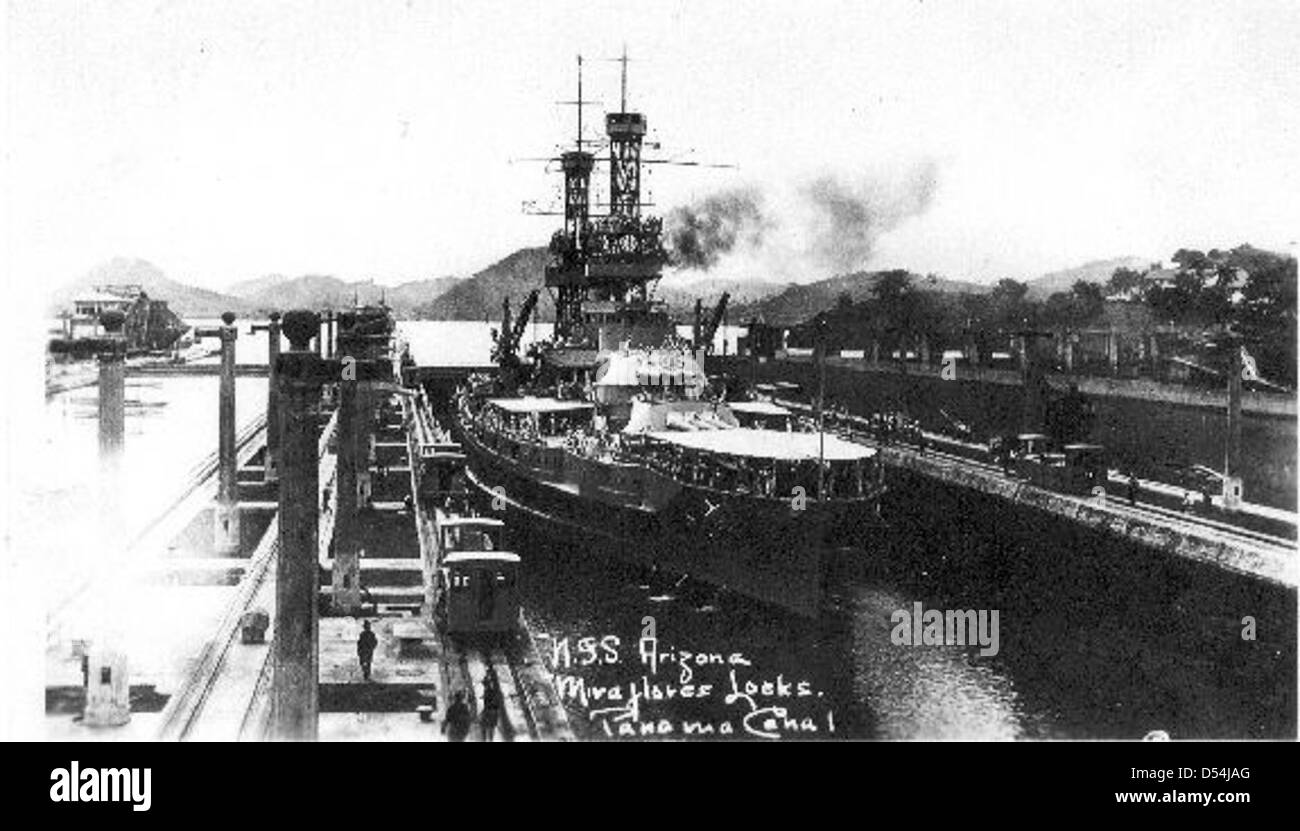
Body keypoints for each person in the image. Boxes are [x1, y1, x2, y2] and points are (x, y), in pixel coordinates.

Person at [480, 672, 504, 742]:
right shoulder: (488, 690)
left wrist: (487, 709)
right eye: (484, 684)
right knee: (488, 727)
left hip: (491, 711)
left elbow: (492, 700)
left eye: (485, 683)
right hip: (492, 711)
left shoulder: (490, 690)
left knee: (486, 727)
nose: (484, 685)